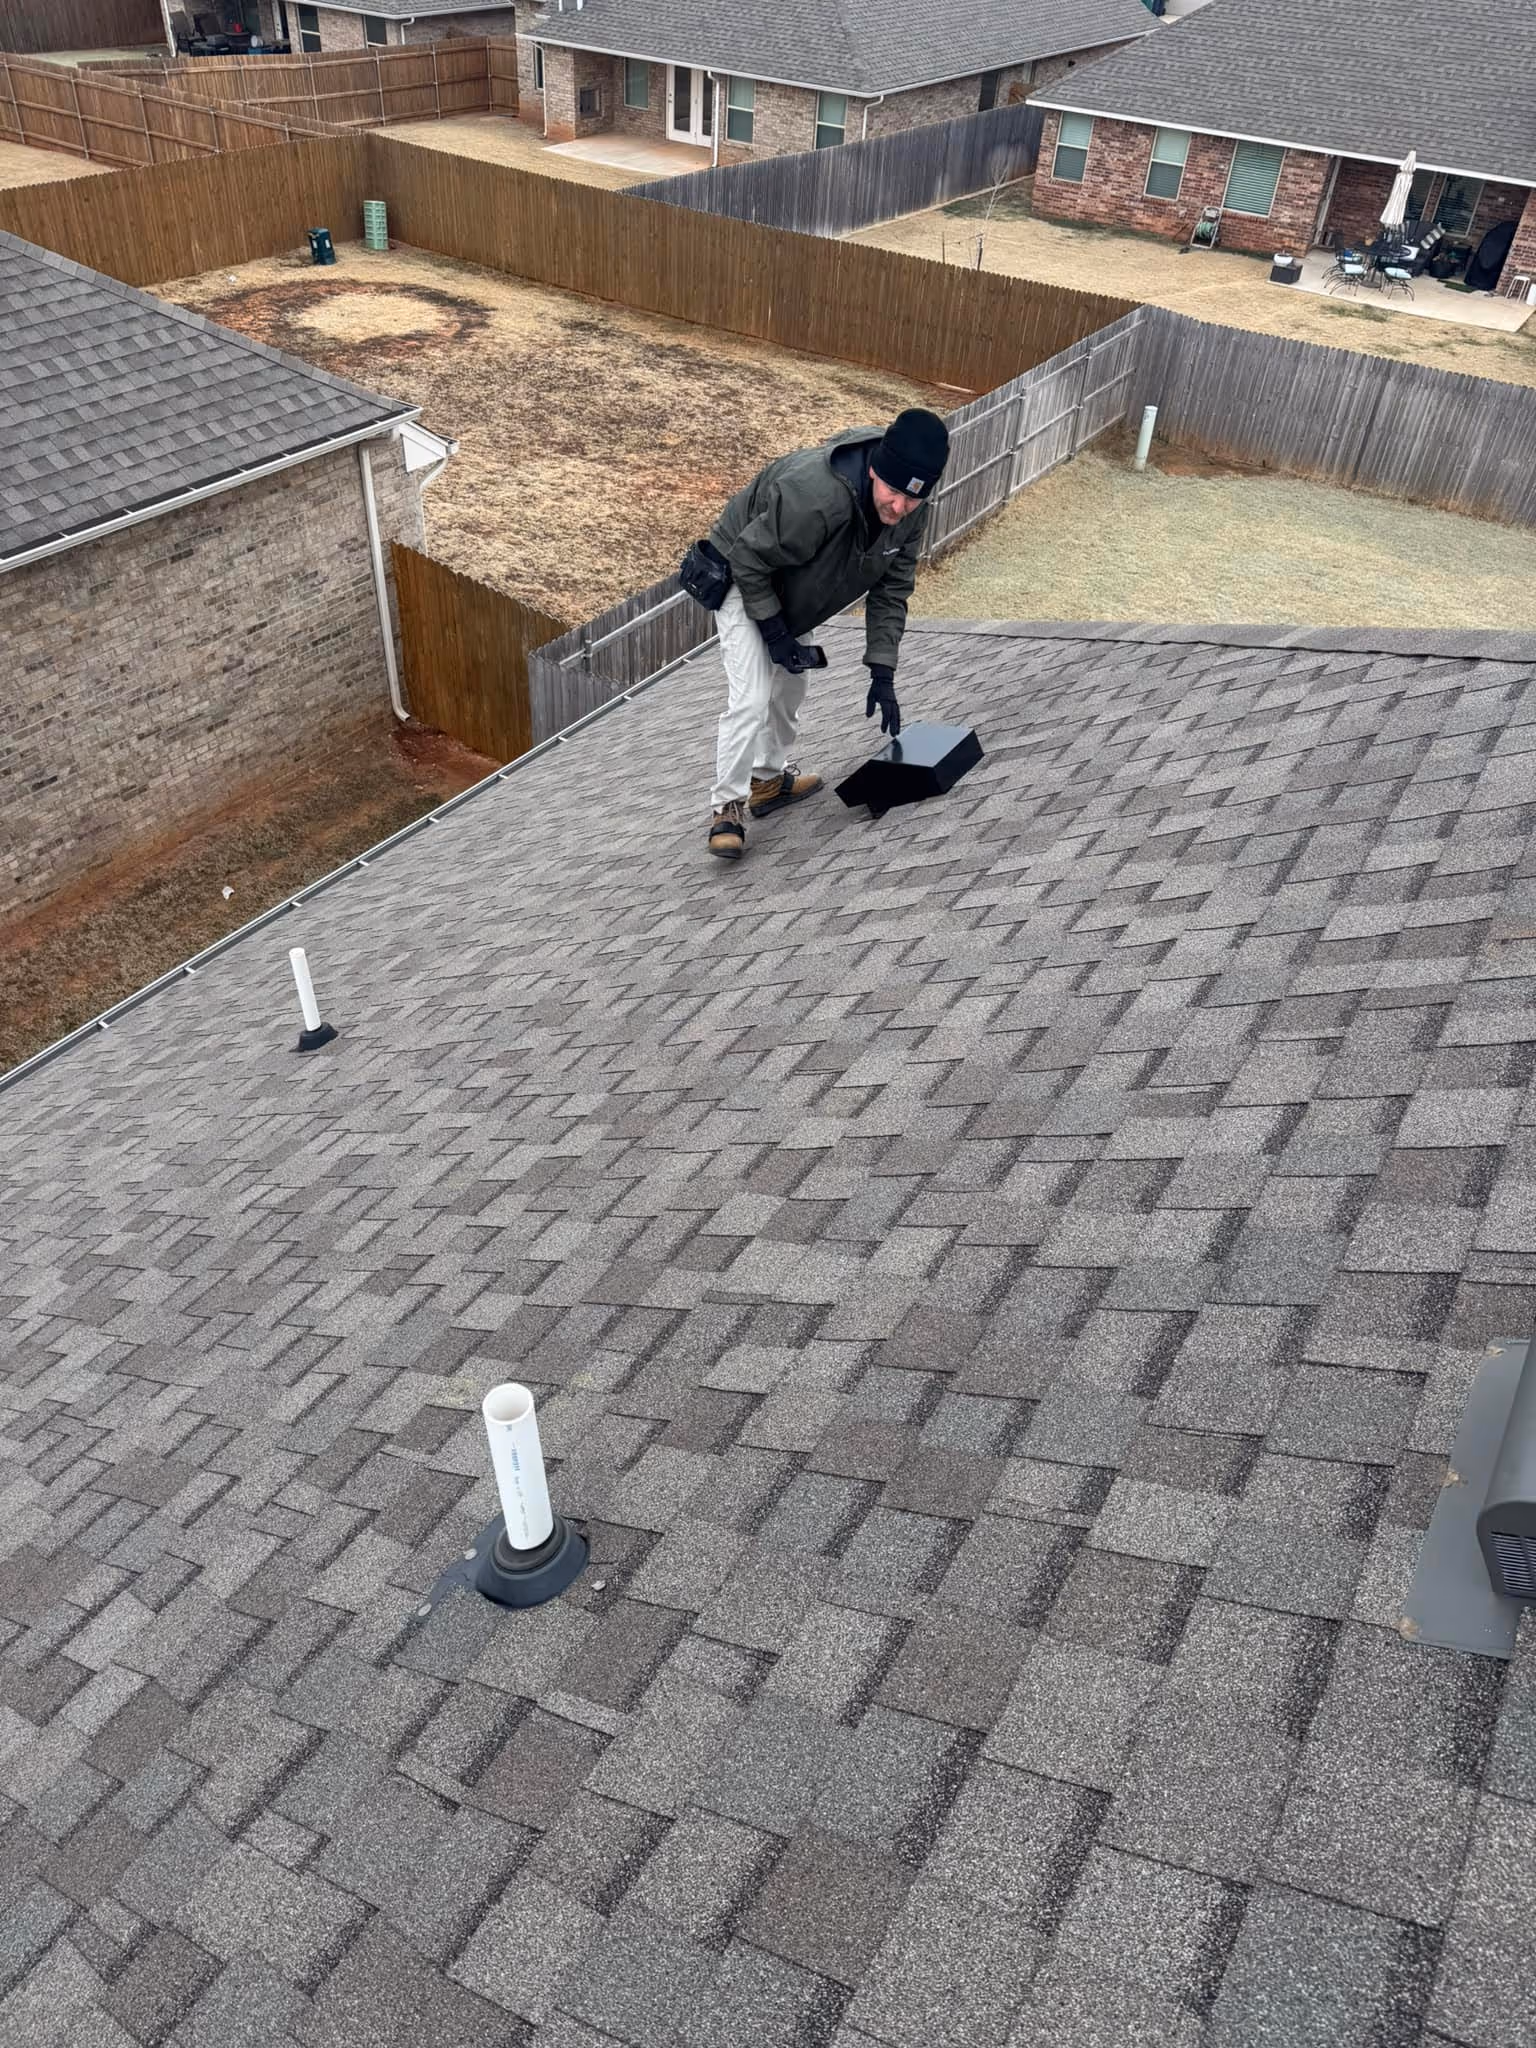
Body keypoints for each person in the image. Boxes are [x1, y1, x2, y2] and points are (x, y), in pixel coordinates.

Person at [699, 408, 950, 860]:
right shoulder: (814, 496)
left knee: (791, 687)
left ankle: (768, 782)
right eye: (893, 492)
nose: (899, 508)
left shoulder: (911, 514)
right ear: (874, 471)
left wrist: (883, 672)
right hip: (744, 571)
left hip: (795, 578)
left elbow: (891, 591)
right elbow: (749, 559)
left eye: (913, 499)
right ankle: (726, 808)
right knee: (752, 696)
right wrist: (774, 633)